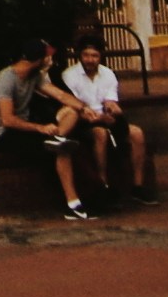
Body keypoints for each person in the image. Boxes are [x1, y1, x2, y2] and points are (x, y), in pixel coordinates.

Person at [0, 39, 95, 221]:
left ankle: (58, 138)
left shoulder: (34, 76)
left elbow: (59, 95)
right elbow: (7, 120)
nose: (50, 61)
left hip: (28, 127)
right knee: (62, 149)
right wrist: (41, 128)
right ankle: (73, 204)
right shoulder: (6, 79)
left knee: (71, 114)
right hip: (8, 133)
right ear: (38, 59)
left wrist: (83, 108)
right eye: (48, 57)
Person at [60, 37, 152, 206]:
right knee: (100, 134)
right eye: (86, 55)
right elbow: (72, 107)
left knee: (137, 133)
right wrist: (96, 117)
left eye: (94, 56)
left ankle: (138, 186)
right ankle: (103, 183)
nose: (90, 60)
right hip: (81, 120)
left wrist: (112, 109)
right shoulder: (69, 75)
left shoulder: (108, 74)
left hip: (104, 118)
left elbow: (111, 101)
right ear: (80, 56)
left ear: (100, 56)